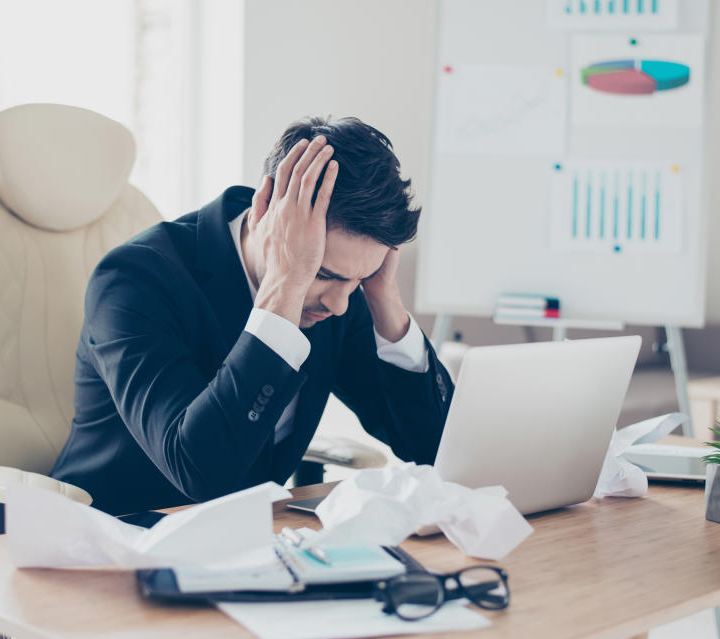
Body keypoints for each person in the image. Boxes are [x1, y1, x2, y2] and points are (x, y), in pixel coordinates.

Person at [51, 116, 455, 515]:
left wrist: (385, 300)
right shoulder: (133, 280)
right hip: (112, 540)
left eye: (358, 279)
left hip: (252, 542)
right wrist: (287, 287)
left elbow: (434, 451)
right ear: (264, 212)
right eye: (322, 273)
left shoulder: (338, 293)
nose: (340, 305)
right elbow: (199, 473)